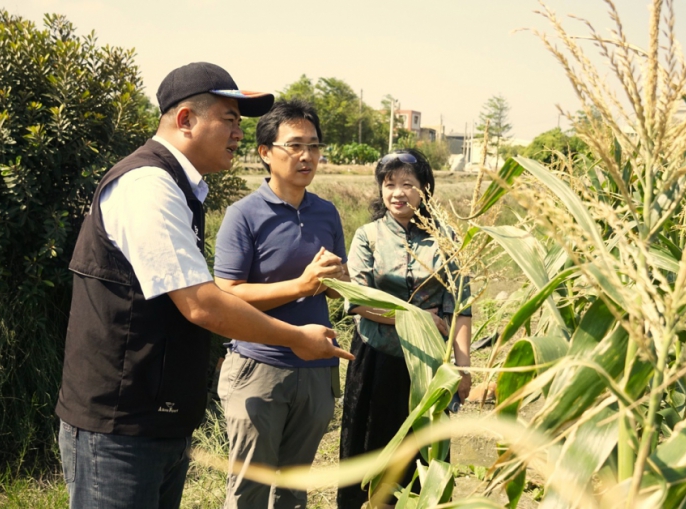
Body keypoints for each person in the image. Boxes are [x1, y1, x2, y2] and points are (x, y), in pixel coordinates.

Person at [55, 62, 352, 509]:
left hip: (156, 420)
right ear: (185, 119)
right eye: (229, 120)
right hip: (120, 425)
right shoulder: (148, 186)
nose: (238, 133)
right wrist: (296, 337)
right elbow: (204, 304)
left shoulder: (181, 189)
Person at [213, 98, 348, 509]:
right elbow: (226, 294)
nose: (307, 156)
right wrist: (301, 285)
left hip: (316, 369)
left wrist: (340, 283)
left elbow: (338, 288)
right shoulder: (243, 215)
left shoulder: (327, 213)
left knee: (293, 490)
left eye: (314, 145)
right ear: (265, 152)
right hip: (259, 368)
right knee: (249, 490)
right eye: (294, 145)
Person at [337, 149, 472, 509]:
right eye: (389, 184)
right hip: (377, 357)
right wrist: (417, 318)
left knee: (423, 448)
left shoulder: (446, 239)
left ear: (425, 189)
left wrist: (463, 367)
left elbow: (460, 306)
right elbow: (358, 300)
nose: (398, 193)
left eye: (408, 184)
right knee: (372, 448)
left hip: (428, 362)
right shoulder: (367, 236)